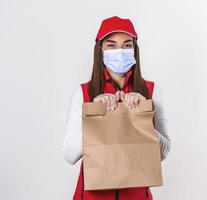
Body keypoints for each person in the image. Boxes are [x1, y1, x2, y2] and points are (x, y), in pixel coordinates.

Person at [63, 16, 171, 200]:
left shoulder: (151, 91)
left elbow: (163, 152)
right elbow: (69, 154)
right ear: (100, 50)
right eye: (111, 45)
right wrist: (96, 115)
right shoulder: (84, 93)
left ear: (135, 50)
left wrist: (140, 115)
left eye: (127, 45)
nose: (120, 51)